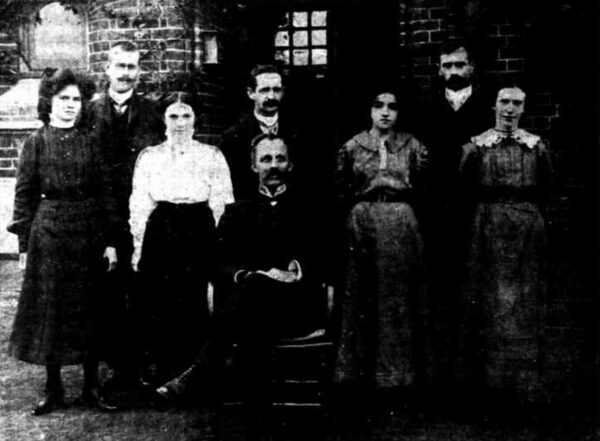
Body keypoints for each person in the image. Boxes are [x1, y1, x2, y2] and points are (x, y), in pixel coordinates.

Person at [153, 134, 327, 437]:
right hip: (251, 307)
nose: (273, 166)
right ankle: (260, 424)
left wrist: (295, 270)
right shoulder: (238, 210)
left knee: (249, 307)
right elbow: (219, 261)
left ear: (291, 163)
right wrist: (249, 275)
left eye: (279, 158)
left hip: (296, 306)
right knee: (254, 303)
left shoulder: (309, 208)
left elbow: (327, 254)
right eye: (266, 159)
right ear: (253, 165)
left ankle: (198, 374)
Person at [7, 69, 119, 415]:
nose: (71, 106)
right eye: (63, 99)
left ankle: (90, 387)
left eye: (76, 99)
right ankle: (52, 388)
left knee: (89, 308)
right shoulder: (35, 142)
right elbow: (24, 197)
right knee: (50, 310)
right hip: (49, 232)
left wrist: (111, 240)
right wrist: (25, 246)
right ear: (49, 103)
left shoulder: (92, 140)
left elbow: (107, 195)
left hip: (88, 231)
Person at [129, 91, 233, 384]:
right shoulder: (150, 157)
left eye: (186, 115)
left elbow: (222, 204)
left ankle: (194, 374)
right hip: (162, 229)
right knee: (161, 299)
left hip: (198, 228)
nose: (180, 123)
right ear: (163, 120)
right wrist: (138, 249)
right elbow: (139, 205)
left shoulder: (211, 155)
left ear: (195, 119)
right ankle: (162, 370)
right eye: (173, 116)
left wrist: (219, 245)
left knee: (195, 295)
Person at [333, 89, 429, 408]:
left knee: (397, 297)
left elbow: (425, 185)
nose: (385, 112)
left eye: (392, 107)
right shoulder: (352, 146)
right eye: (378, 105)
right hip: (361, 219)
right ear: (369, 110)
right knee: (358, 294)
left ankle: (396, 378)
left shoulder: (413, 146)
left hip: (401, 219)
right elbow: (341, 185)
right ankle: (353, 375)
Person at [459, 86, 552, 410]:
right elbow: (464, 186)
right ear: (494, 105)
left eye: (517, 103)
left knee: (524, 305)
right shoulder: (476, 146)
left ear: (524, 108)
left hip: (527, 229)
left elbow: (547, 187)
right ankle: (488, 392)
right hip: (488, 227)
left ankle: (524, 391)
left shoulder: (536, 147)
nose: (510, 109)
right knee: (490, 303)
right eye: (504, 102)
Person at [415, 41, 493, 400]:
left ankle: (477, 381)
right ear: (438, 70)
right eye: (446, 66)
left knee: (479, 295)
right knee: (440, 294)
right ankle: (440, 382)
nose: (453, 72)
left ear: (471, 68)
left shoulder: (489, 108)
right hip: (437, 216)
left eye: (459, 65)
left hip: (479, 212)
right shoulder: (427, 108)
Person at [90, 41, 164, 388]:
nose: (125, 73)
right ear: (107, 69)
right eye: (119, 66)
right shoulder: (90, 112)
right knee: (108, 289)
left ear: (139, 70)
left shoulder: (152, 110)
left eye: (132, 66)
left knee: (144, 285)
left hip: (143, 210)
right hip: (103, 213)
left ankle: (142, 363)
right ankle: (116, 368)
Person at [219, 64, 301, 200]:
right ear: (251, 93)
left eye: (276, 90)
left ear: (283, 92)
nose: (271, 96)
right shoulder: (233, 137)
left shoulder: (298, 133)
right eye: (264, 90)